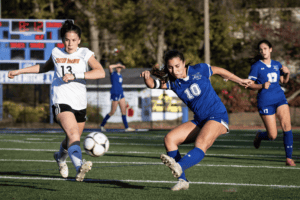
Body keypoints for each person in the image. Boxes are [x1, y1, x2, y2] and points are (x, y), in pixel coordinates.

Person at [7, 20, 106, 181]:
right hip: (61, 100)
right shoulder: (56, 53)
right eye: (67, 40)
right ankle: (79, 165)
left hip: (79, 103)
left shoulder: (85, 53)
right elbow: (43, 68)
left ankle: (60, 158)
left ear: (79, 40)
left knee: (72, 139)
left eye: (74, 40)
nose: (70, 43)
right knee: (73, 134)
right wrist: (19, 71)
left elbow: (100, 72)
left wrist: (76, 76)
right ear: (62, 40)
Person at [140, 50, 252, 191]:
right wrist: (146, 78)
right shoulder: (173, 82)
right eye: (170, 67)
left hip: (217, 116)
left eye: (177, 66)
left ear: (184, 63)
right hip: (200, 120)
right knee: (170, 139)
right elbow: (152, 84)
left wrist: (240, 80)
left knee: (201, 143)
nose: (174, 71)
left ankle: (180, 166)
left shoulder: (200, 69)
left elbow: (218, 70)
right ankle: (183, 181)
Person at [248, 39, 296, 166]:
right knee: (272, 135)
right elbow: (250, 85)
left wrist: (287, 74)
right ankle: (260, 136)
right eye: (261, 49)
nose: (263, 51)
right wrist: (261, 86)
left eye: (265, 48)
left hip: (280, 98)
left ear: (270, 49)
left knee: (287, 126)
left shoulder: (277, 64)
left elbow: (283, 81)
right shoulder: (256, 66)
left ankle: (289, 158)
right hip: (265, 102)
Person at [100, 63, 135, 132]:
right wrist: (118, 65)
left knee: (123, 111)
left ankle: (126, 127)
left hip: (121, 94)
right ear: (116, 68)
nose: (119, 68)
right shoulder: (113, 74)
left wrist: (121, 66)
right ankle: (102, 125)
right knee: (112, 111)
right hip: (115, 94)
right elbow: (110, 66)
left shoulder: (120, 75)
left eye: (120, 68)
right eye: (118, 68)